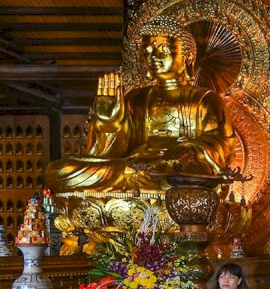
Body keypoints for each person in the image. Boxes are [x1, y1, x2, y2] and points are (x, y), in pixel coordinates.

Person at [45, 16, 236, 193]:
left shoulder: (205, 99)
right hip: (133, 167)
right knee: (60, 171)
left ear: (188, 58)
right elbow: (115, 151)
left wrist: (190, 148)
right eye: (148, 52)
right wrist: (108, 121)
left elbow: (221, 146)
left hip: (174, 172)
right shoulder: (136, 98)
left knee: (176, 175)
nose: (154, 58)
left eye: (164, 51)